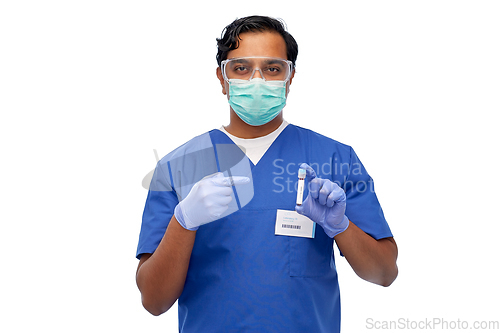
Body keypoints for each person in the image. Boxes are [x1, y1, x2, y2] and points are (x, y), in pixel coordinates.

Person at [135, 15, 398, 332]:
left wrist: (340, 225)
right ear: (222, 78)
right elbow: (153, 301)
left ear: (289, 77)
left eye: (272, 69)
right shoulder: (178, 166)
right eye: (241, 69)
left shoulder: (335, 158)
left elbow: (384, 273)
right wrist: (183, 221)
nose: (256, 81)